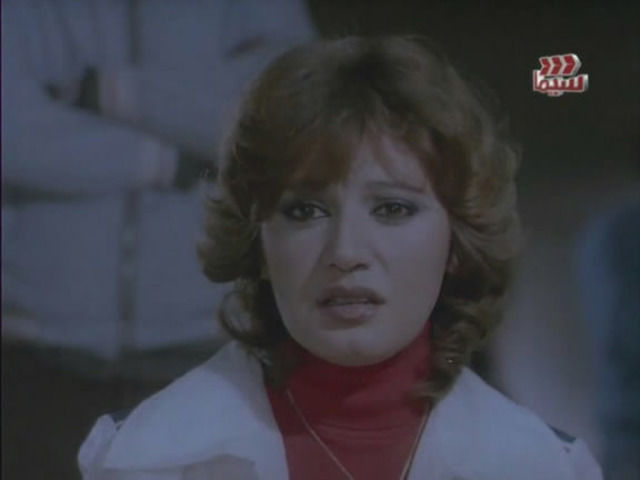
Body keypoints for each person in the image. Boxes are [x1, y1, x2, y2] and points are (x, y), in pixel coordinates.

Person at [78, 36, 602, 479]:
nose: (346, 252)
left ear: (457, 244)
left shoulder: (543, 467)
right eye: (305, 211)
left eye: (393, 209)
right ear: (258, 243)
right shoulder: (142, 458)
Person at [1, 1, 314, 478]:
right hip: (38, 353)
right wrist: (167, 159)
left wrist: (107, 91)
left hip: (208, 353)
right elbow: (11, 131)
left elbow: (288, 117)